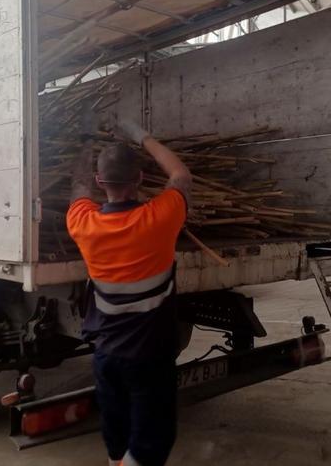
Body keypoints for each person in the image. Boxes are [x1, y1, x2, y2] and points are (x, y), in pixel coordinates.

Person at [67, 120, 191, 466]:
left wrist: (85, 146)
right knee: (152, 441)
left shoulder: (83, 223)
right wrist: (143, 136)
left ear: (99, 182)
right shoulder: (160, 218)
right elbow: (181, 175)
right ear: (139, 180)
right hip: (150, 357)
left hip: (106, 356)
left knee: (117, 440)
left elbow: (77, 187)